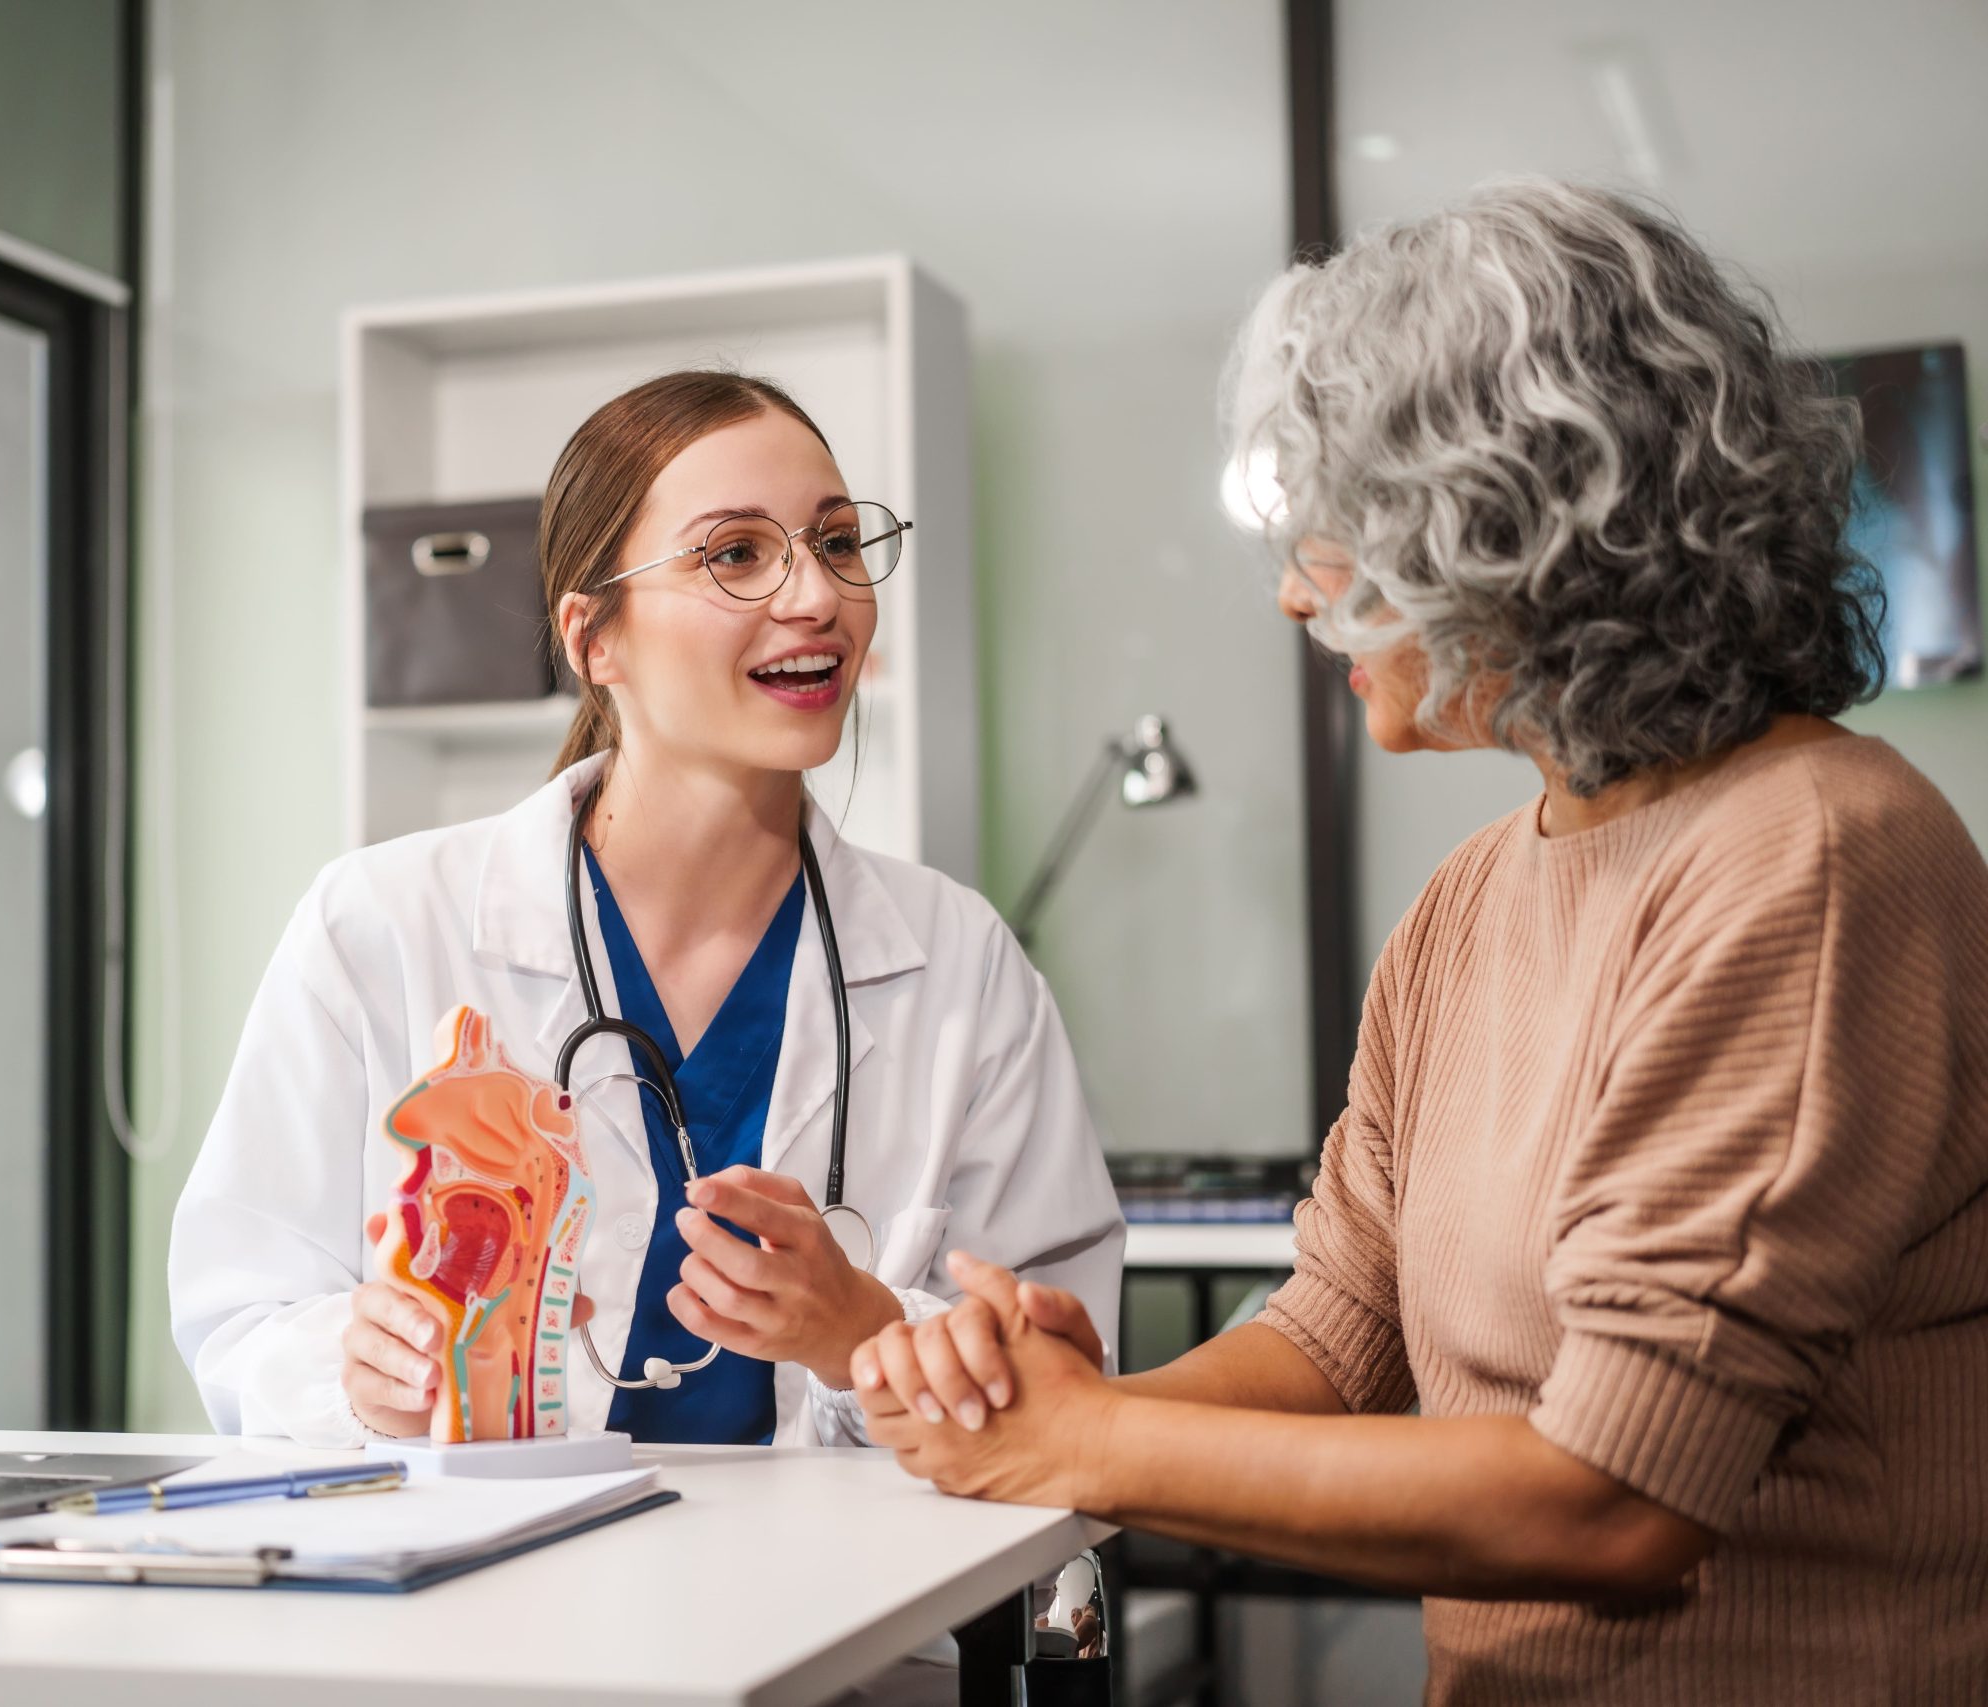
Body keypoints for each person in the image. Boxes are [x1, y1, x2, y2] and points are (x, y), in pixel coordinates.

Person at [851, 180, 1988, 1704]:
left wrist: (1090, 1443)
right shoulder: (1467, 901)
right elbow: (1341, 1322)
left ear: (1510, 529)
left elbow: (1616, 1497)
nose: (1292, 591)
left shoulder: (1814, 852)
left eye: (1339, 533)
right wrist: (1083, 1399)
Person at [171, 370, 1120, 1449]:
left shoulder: (959, 964)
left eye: (838, 543)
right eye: (736, 554)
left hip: (849, 1607)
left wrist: (861, 1331)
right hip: (485, 1606)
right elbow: (239, 1318)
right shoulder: (380, 927)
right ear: (593, 640)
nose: (815, 598)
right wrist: (356, 1371)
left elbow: (1067, 1363)